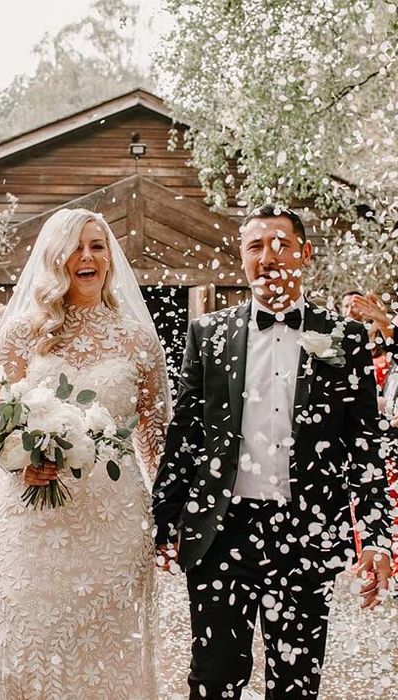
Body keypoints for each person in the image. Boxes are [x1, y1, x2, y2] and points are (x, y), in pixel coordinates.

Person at [153, 204, 393, 699]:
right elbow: (187, 434)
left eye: (281, 243)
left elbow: (365, 444)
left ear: (304, 253)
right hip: (221, 532)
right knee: (214, 680)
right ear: (241, 256)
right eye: (255, 246)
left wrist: (376, 538)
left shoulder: (343, 338)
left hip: (306, 534)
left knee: (296, 686)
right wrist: (164, 520)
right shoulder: (209, 334)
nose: (269, 256)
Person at [0, 208, 170, 697]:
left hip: (114, 520)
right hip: (32, 519)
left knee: (107, 646)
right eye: (75, 247)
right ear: (54, 258)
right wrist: (19, 461)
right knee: (29, 638)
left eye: (97, 246)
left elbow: (155, 433)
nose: (87, 257)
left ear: (110, 259)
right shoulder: (21, 333)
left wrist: (171, 517)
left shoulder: (137, 338)